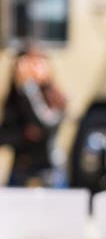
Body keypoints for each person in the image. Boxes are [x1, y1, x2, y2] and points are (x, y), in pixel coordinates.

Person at [0, 45, 66, 186]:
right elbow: (3, 135)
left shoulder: (54, 98)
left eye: (36, 63)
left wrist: (29, 88)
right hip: (21, 168)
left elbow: (45, 125)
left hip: (49, 170)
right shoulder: (16, 98)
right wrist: (24, 134)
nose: (32, 69)